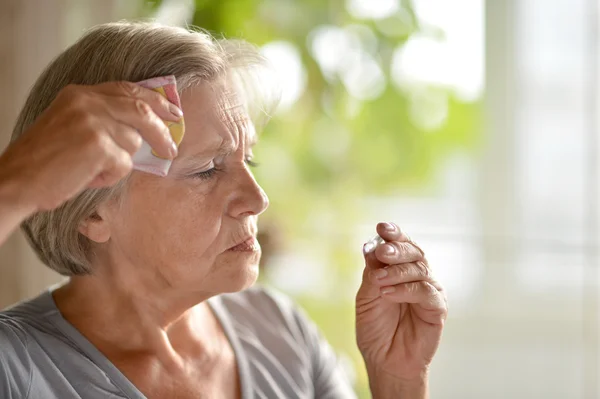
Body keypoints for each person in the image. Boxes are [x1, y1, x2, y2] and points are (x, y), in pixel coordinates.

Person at [0, 22, 447, 399]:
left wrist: (399, 381)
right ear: (93, 213)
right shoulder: (17, 368)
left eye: (246, 159)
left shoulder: (279, 330)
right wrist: (16, 181)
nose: (257, 199)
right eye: (208, 170)